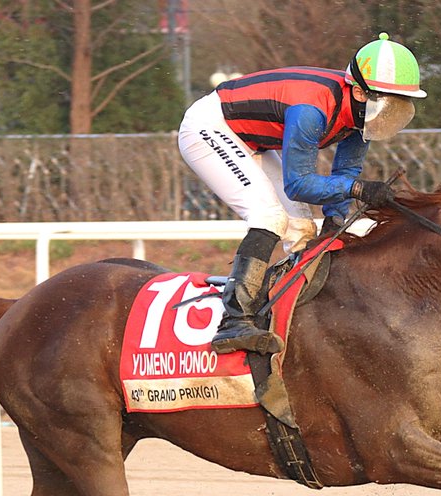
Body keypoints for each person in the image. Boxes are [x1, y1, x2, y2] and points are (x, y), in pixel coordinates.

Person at [178, 33, 426, 355]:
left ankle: (306, 316)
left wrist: (336, 224)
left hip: (252, 138)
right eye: (386, 102)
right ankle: (234, 322)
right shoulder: (311, 110)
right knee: (269, 216)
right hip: (211, 128)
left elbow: (344, 175)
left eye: (398, 105)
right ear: (359, 92)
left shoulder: (361, 116)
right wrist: (360, 189)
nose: (389, 114)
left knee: (302, 228)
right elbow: (299, 184)